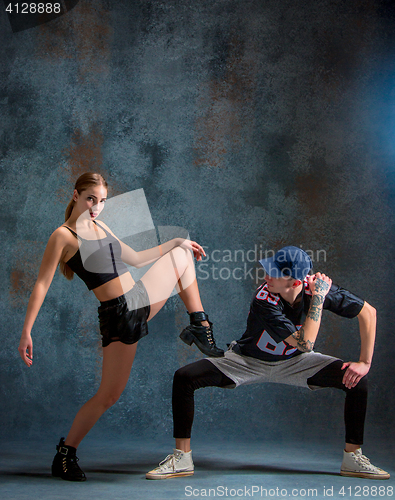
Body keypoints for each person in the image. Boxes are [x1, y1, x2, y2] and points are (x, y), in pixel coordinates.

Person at [18, 172, 223, 482]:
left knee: (181, 253)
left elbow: (138, 259)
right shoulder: (63, 235)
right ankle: (65, 455)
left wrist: (175, 241)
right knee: (108, 395)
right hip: (119, 313)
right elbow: (42, 284)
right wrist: (27, 331)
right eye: (90, 199)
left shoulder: (101, 226)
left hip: (137, 297)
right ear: (75, 195)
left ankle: (199, 325)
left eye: (101, 201)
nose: (95, 207)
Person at [146, 246, 390, 480]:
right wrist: (318, 299)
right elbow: (306, 343)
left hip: (296, 362)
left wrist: (364, 362)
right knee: (184, 377)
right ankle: (182, 457)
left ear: (295, 282)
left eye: (275, 272)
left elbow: (368, 313)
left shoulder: (317, 289)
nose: (266, 275)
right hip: (247, 360)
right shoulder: (264, 298)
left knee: (358, 381)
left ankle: (352, 457)